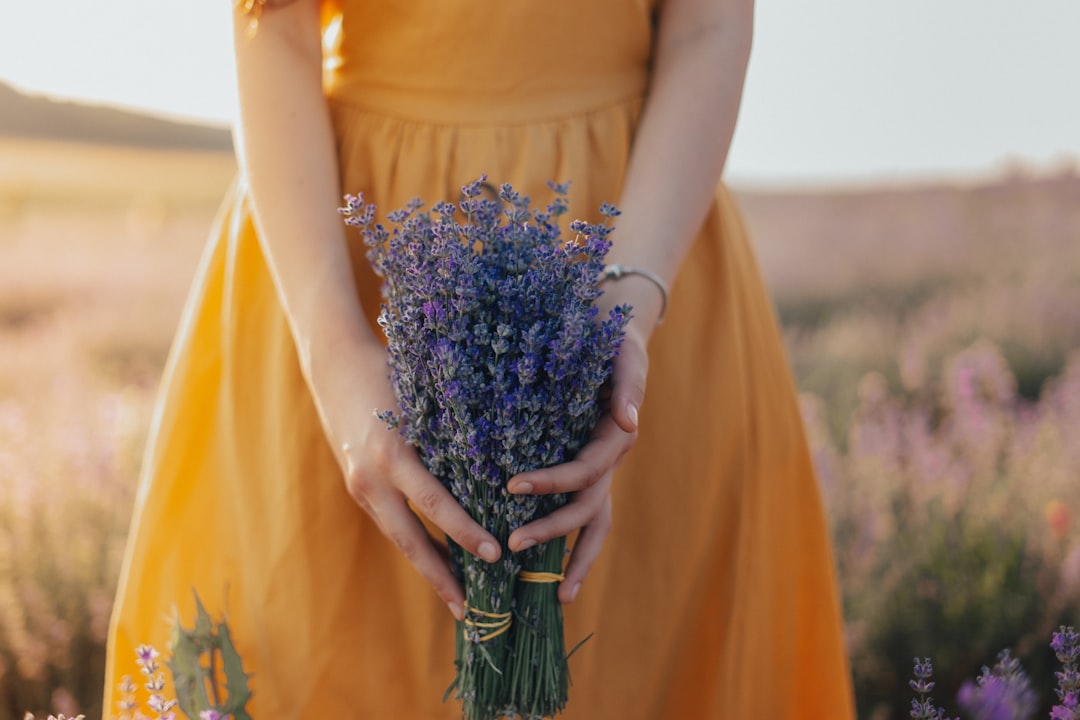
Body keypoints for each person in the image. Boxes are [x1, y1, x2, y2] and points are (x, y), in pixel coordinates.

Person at [104, 0, 855, 716]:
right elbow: (275, 29)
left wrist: (621, 318)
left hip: (636, 233)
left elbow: (709, 27)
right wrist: (335, 357)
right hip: (340, 260)